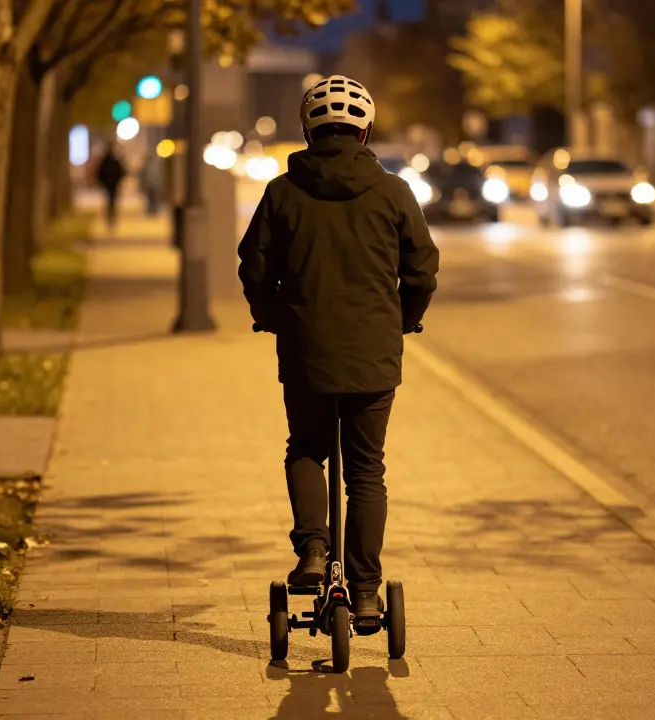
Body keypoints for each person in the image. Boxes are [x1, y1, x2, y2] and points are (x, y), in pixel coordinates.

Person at [236, 74, 440, 626]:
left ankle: (311, 552)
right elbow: (422, 269)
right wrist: (404, 320)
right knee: (366, 471)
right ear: (365, 131)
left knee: (307, 447)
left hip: (306, 349)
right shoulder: (394, 193)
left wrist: (272, 316)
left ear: (308, 129)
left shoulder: (282, 192)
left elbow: (253, 265)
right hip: (374, 354)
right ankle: (368, 590)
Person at [95, 146, 125, 232]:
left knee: (109, 202)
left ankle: (109, 218)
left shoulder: (104, 162)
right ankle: (112, 218)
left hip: (107, 185)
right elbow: (121, 172)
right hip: (113, 185)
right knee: (112, 202)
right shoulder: (115, 162)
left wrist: (101, 183)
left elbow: (99, 173)